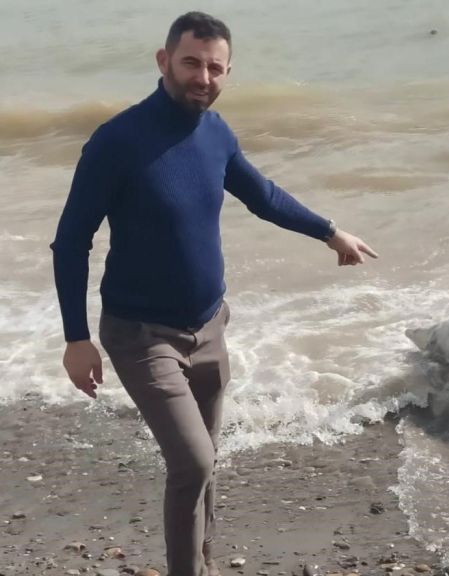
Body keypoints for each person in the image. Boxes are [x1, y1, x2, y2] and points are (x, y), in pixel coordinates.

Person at [50, 11, 378, 576]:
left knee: (206, 463)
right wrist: (77, 340)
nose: (203, 77)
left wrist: (329, 232)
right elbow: (70, 243)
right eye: (191, 63)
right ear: (163, 61)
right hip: (140, 334)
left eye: (215, 67)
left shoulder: (217, 132)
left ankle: (202, 562)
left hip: (209, 327)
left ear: (227, 72)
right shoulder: (117, 141)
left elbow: (264, 195)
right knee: (193, 463)